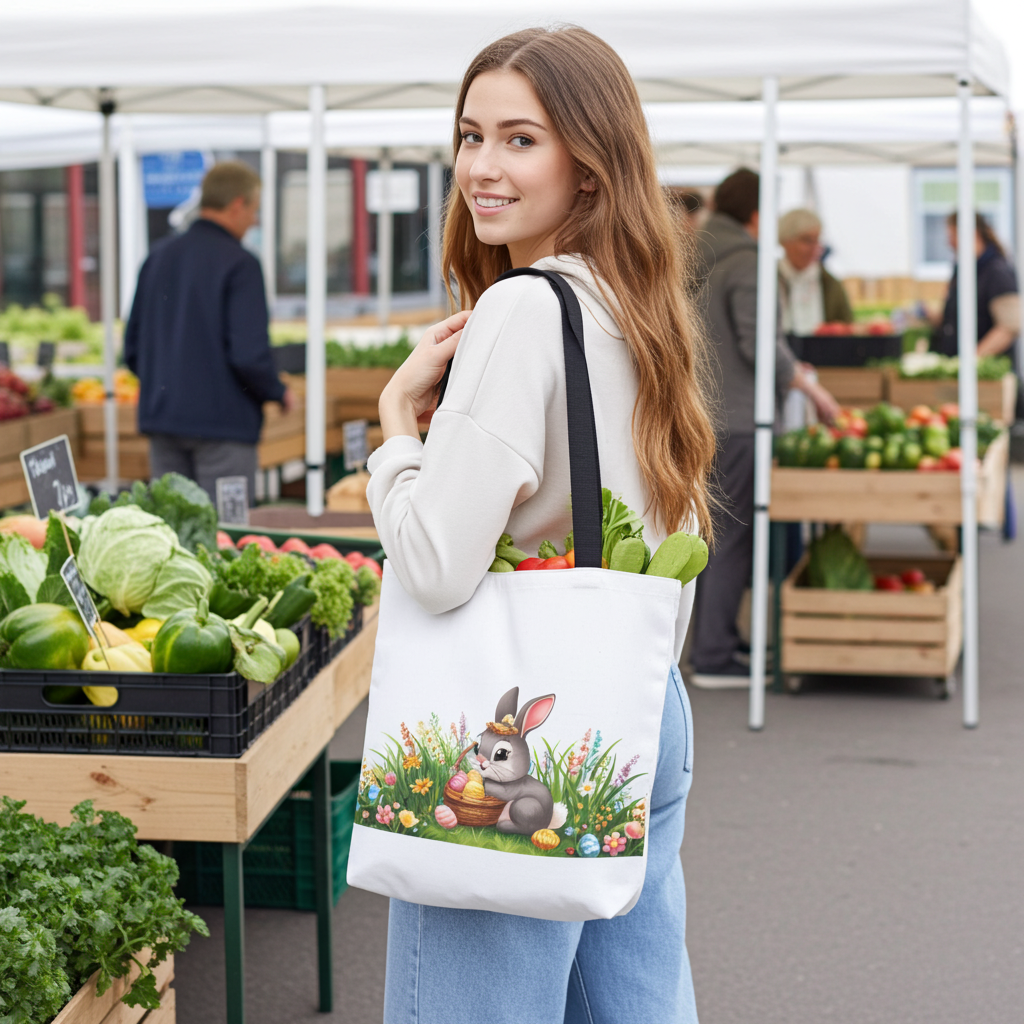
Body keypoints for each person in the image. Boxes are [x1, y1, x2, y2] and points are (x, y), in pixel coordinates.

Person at [366, 26, 715, 1024]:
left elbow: (436, 564)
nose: (482, 167)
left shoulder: (522, 310)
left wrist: (396, 430)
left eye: (521, 139)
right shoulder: (633, 305)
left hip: (513, 733)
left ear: (590, 165)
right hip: (638, 705)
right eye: (471, 136)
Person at [689, 169, 840, 683]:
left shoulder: (693, 256)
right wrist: (809, 387)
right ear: (756, 213)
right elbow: (759, 343)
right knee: (731, 539)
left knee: (706, 536)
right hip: (739, 419)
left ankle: (715, 641)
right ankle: (713, 655)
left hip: (699, 415)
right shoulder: (748, 262)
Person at [124, 161, 292, 504]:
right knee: (226, 529)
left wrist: (167, 385)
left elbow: (132, 348)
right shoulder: (241, 264)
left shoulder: (157, 256)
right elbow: (248, 354)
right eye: (254, 210)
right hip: (223, 427)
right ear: (237, 205)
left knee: (171, 528)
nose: (254, 221)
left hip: (163, 421)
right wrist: (278, 391)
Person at [932, 212, 1020, 361]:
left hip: (985, 371)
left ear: (972, 234)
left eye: (953, 236)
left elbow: (1009, 326)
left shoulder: (997, 271)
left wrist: (971, 360)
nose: (949, 243)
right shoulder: (963, 270)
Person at [777, 207, 853, 335]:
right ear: (785, 241)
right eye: (807, 240)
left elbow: (847, 326)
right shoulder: (765, 280)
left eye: (817, 240)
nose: (814, 248)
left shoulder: (830, 283)